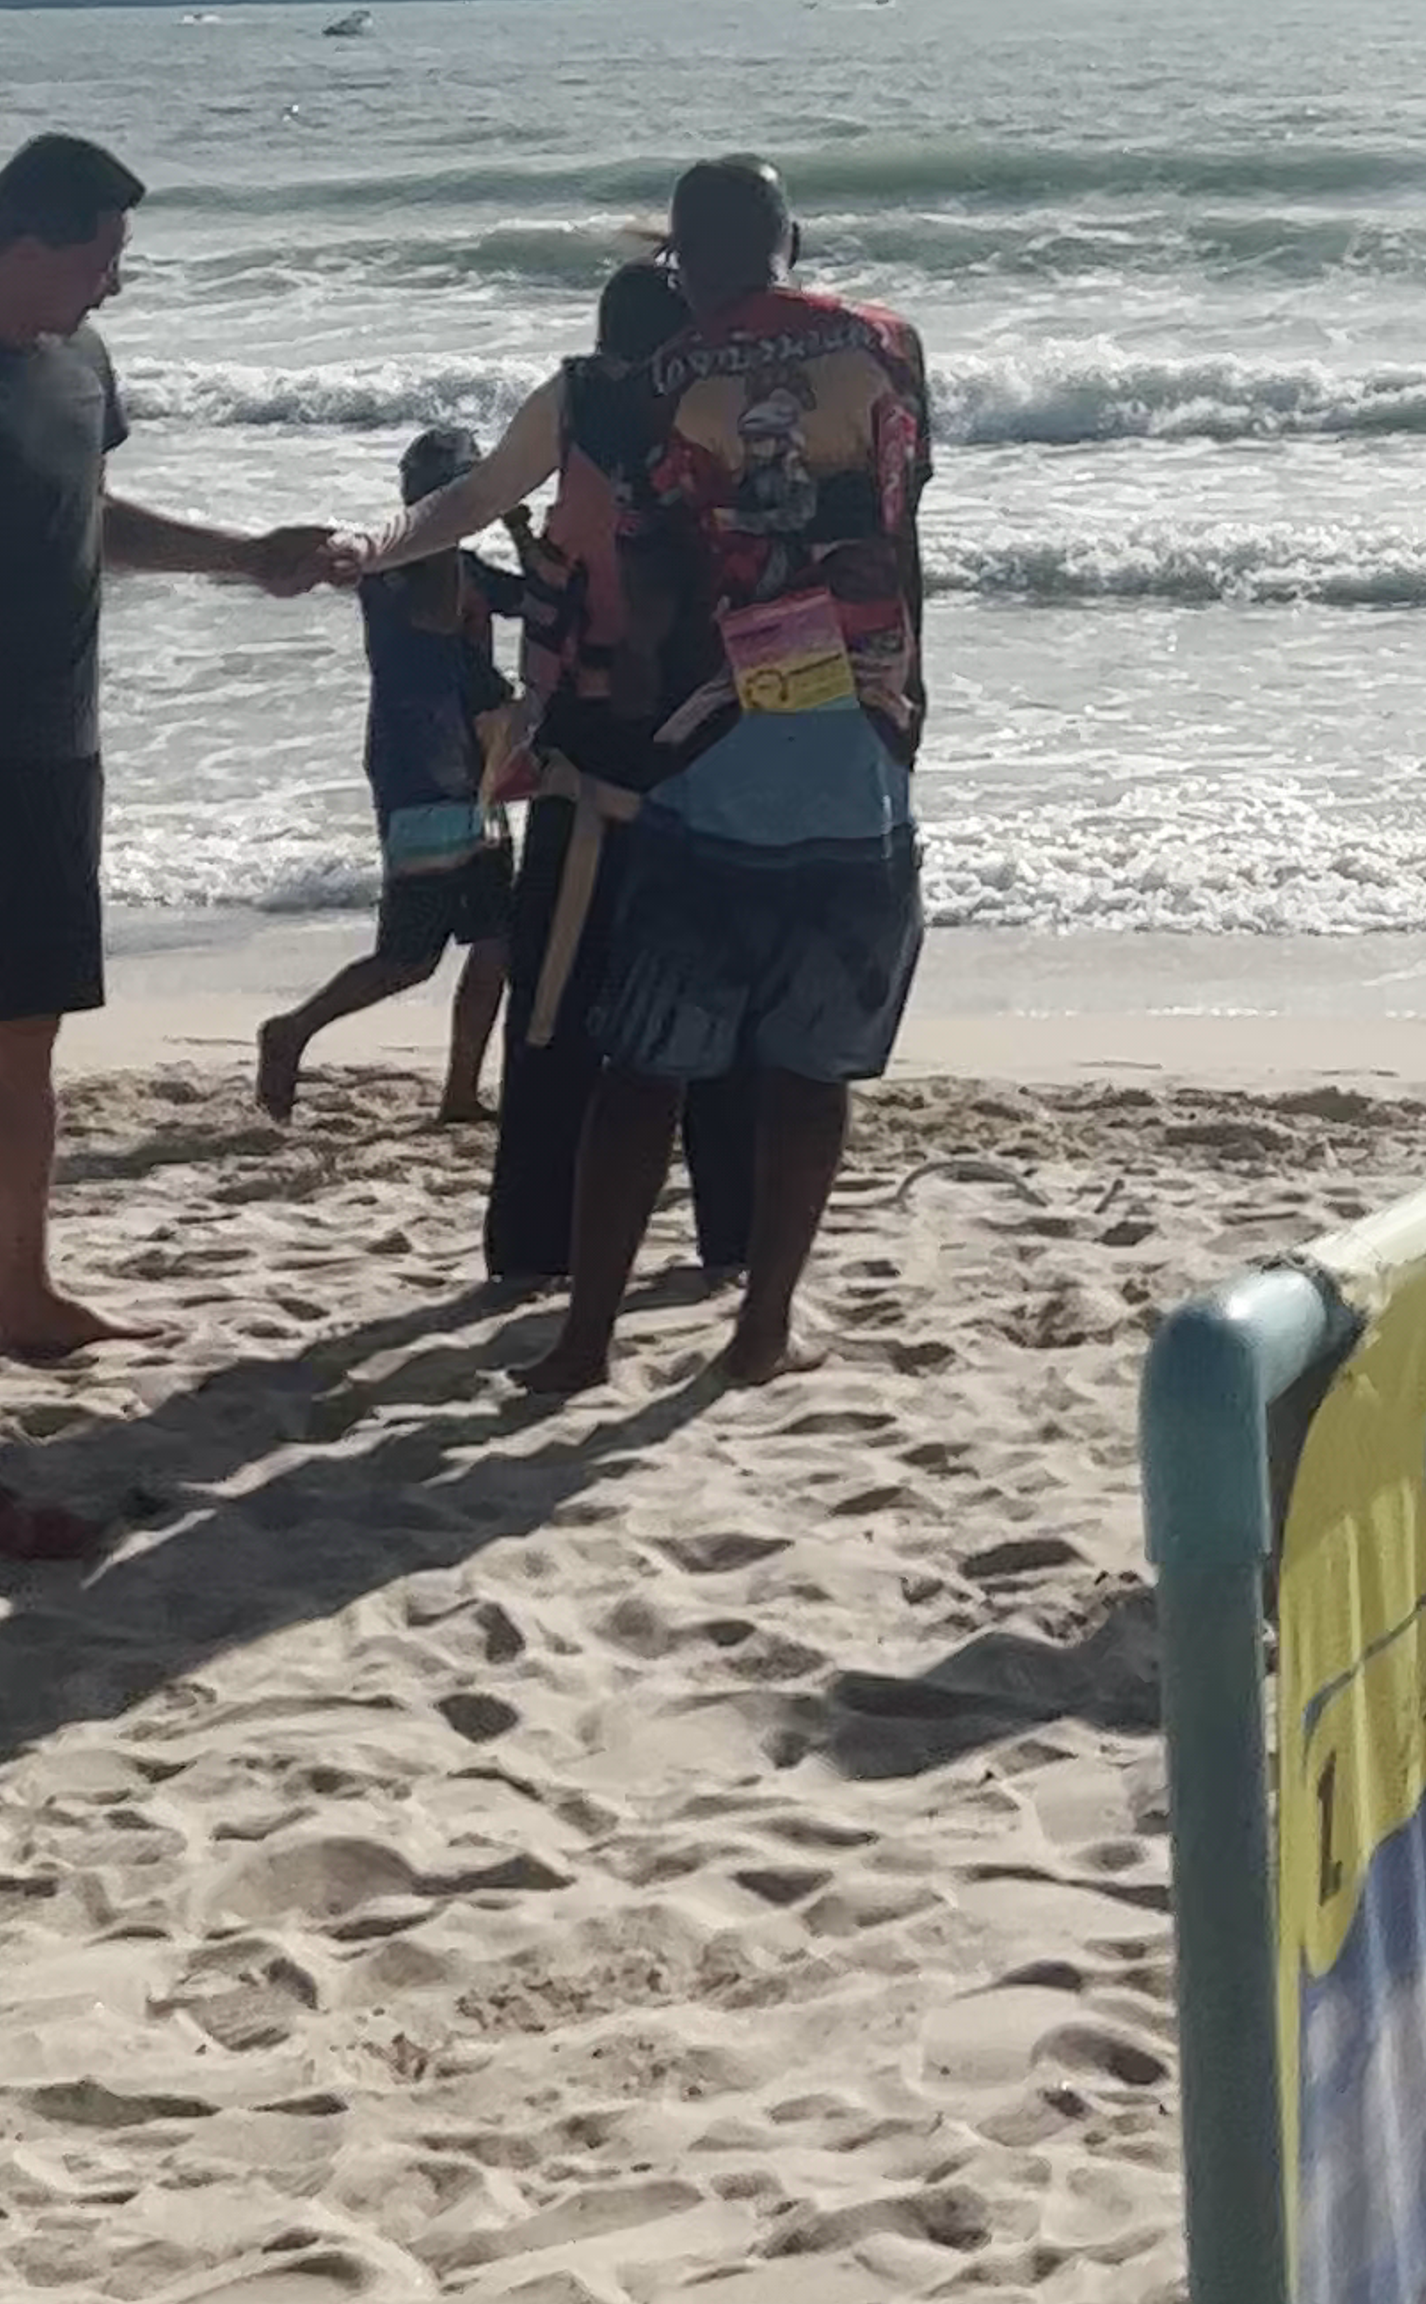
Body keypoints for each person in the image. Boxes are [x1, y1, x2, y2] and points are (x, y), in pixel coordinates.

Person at [0, 137, 334, 1396]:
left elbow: (90, 520)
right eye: (102, 259)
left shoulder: (82, 365)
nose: (112, 286)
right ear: (30, 245)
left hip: (57, 752)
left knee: (27, 1032)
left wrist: (248, 554)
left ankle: (23, 1297)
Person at [518, 156, 930, 1393]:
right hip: (859, 748)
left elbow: (643, 561)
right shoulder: (889, 343)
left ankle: (585, 1338)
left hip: (707, 754)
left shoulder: (648, 384)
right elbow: (899, 503)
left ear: (673, 259)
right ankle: (761, 1325)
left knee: (645, 1069)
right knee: (808, 1075)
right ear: (794, 236)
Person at [347, 257, 763, 1295]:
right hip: (684, 740)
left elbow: (476, 496)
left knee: (565, 1001)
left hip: (624, 741)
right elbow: (477, 496)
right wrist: (371, 548)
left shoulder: (593, 397)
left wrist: (371, 544)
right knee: (679, 996)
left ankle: (550, 1241)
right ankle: (721, 1238)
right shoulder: (731, 397)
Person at [252, 423, 530, 1132]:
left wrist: (524, 531)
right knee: (409, 957)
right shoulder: (394, 569)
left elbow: (540, 601)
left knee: (497, 937)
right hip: (419, 772)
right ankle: (292, 1029)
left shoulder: (466, 564)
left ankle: (461, 1090)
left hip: (477, 771)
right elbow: (437, 618)